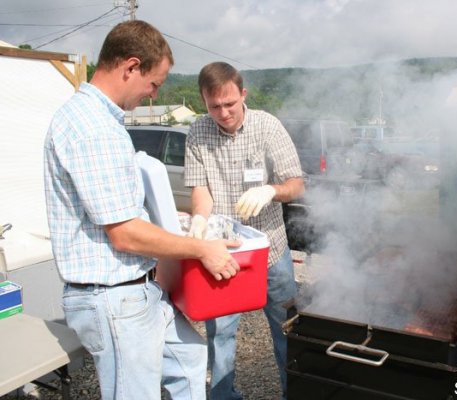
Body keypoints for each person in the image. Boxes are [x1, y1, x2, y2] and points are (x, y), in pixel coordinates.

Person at [44, 21, 242, 400]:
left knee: (189, 358)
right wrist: (202, 248)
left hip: (138, 290)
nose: (153, 95)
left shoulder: (103, 121)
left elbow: (123, 213)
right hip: (113, 298)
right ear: (131, 67)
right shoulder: (93, 127)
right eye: (154, 84)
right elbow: (124, 232)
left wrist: (177, 225)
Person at [184, 61, 305, 399]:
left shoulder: (267, 126)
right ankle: (223, 395)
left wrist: (271, 190)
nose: (223, 113)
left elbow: (296, 184)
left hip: (271, 250)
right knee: (220, 334)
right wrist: (198, 218)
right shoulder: (198, 131)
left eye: (229, 104)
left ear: (243, 95)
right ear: (204, 103)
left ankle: (292, 392)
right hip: (222, 253)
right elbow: (201, 190)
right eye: (214, 106)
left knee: (286, 329)